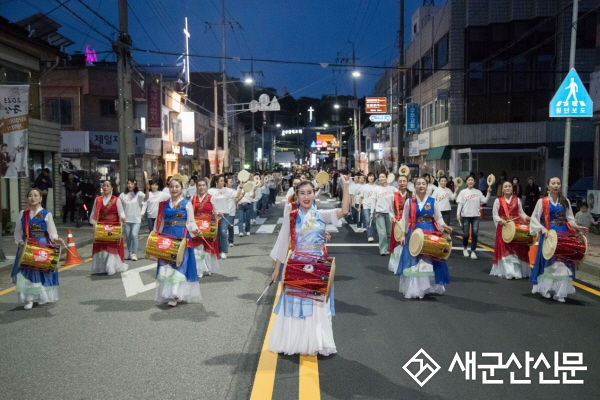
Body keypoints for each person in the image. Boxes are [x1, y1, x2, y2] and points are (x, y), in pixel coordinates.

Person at [268, 177, 350, 356]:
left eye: (309, 193)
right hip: (297, 263)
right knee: (296, 303)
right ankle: (295, 341)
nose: (306, 196)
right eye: (302, 193)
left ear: (315, 194)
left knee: (315, 304)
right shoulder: (291, 216)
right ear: (296, 196)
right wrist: (277, 269)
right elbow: (283, 243)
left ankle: (314, 342)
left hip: (317, 264)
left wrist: (345, 186)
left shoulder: (321, 215)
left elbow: (344, 211)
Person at [530, 177, 587, 302]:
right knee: (549, 263)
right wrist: (542, 229)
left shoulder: (564, 201)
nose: (556, 185)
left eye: (558, 183)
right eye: (553, 183)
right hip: (549, 235)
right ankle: (545, 289)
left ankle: (559, 292)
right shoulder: (542, 201)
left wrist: (578, 227)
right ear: (548, 186)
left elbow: (570, 219)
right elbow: (534, 218)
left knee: (562, 262)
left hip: (563, 234)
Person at [396, 177, 452, 299]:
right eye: (418, 184)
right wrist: (403, 235)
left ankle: (429, 286)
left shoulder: (433, 201)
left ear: (427, 186)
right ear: (414, 186)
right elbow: (405, 220)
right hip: (415, 233)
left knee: (430, 259)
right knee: (415, 260)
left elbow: (438, 218)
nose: (421, 186)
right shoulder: (409, 202)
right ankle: (416, 288)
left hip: (430, 232)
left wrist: (444, 227)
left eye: (423, 184)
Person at [11, 188, 64, 309]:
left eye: (35, 195)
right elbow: (18, 232)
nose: (33, 198)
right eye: (30, 195)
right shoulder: (23, 214)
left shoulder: (46, 214)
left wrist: (56, 239)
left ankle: (42, 296)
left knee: (41, 272)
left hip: (41, 246)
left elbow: (52, 232)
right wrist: (19, 241)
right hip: (26, 247)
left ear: (41, 198)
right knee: (26, 272)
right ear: (27, 198)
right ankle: (28, 299)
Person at [154, 178, 201, 307]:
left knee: (179, 264)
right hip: (166, 235)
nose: (174, 189)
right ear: (168, 188)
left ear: (181, 189)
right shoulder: (163, 204)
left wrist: (196, 230)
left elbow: (191, 222)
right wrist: (155, 235)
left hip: (182, 236)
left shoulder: (186, 204)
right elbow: (160, 222)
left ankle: (176, 294)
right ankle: (169, 293)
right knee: (167, 265)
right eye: (172, 186)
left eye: (177, 187)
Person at [490, 181, 531, 279]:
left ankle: (516, 270)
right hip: (503, 227)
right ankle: (509, 271)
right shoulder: (498, 201)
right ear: (503, 189)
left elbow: (521, 213)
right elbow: (495, 214)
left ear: (512, 189)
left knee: (515, 250)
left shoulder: (517, 200)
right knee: (505, 249)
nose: (508, 188)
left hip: (515, 228)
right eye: (505, 186)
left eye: (509, 186)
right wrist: (501, 220)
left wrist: (527, 218)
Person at [89, 180, 128, 275]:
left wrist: (122, 217)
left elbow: (121, 211)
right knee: (101, 247)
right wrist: (94, 224)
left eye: (107, 186)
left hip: (113, 227)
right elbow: (94, 213)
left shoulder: (116, 199)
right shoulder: (98, 200)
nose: (105, 187)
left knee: (112, 247)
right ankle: (101, 267)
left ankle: (110, 266)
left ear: (112, 188)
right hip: (101, 226)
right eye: (104, 185)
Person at [456, 175, 491, 259]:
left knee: (475, 234)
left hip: (475, 216)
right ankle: (465, 249)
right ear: (466, 182)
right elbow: (460, 204)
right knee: (466, 234)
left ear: (474, 182)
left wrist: (489, 192)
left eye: (472, 180)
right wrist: (458, 214)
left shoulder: (478, 192)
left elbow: (485, 200)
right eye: (469, 180)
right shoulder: (463, 192)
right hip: (465, 216)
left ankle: (473, 251)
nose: (470, 181)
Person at [192, 178, 221, 276]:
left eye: (203, 185)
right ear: (196, 187)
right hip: (196, 226)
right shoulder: (193, 198)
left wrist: (218, 214)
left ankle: (207, 268)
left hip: (207, 227)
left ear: (207, 186)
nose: (201, 187)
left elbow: (216, 211)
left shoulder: (211, 198)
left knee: (206, 248)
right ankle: (199, 269)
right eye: (199, 185)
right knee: (197, 248)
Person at [119, 178, 149, 261]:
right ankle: (130, 252)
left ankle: (134, 253)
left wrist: (147, 189)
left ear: (135, 185)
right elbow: (119, 206)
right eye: (128, 183)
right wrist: (121, 216)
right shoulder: (122, 195)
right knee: (128, 237)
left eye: (132, 183)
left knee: (134, 235)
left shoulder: (138, 194)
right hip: (126, 219)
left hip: (136, 219)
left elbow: (146, 198)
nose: (130, 185)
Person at [208, 174, 236, 258]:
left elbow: (237, 195)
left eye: (224, 180)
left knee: (223, 232)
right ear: (216, 182)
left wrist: (242, 187)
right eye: (221, 181)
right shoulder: (210, 191)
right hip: (214, 215)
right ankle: (217, 251)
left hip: (225, 214)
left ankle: (223, 251)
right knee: (216, 234)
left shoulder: (227, 190)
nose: (223, 182)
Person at [388, 175, 410, 273]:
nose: (402, 183)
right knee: (397, 243)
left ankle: (406, 265)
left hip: (408, 223)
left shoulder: (411, 195)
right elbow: (390, 210)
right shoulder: (393, 195)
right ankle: (396, 266)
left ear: (407, 182)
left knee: (407, 243)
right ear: (397, 183)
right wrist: (392, 217)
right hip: (397, 222)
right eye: (400, 181)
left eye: (404, 181)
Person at [373, 172, 398, 256]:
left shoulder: (392, 189)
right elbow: (373, 201)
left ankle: (391, 249)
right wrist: (371, 212)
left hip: (390, 213)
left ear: (387, 178)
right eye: (380, 177)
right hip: (379, 213)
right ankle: (383, 250)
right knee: (382, 233)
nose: (381, 178)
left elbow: (399, 198)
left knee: (390, 233)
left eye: (383, 177)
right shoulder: (376, 189)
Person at [359, 172, 378, 243]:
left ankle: (373, 232)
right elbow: (361, 197)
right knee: (367, 220)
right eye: (370, 176)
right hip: (366, 206)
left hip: (375, 206)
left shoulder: (377, 187)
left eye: (372, 176)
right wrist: (359, 207)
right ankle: (370, 235)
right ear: (367, 178)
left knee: (374, 221)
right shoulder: (364, 187)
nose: (371, 178)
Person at [225, 177, 237, 247]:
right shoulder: (223, 191)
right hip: (224, 212)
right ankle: (223, 242)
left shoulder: (233, 191)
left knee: (230, 226)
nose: (231, 183)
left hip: (232, 211)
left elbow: (238, 196)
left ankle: (230, 241)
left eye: (231, 182)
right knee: (223, 228)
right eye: (230, 182)